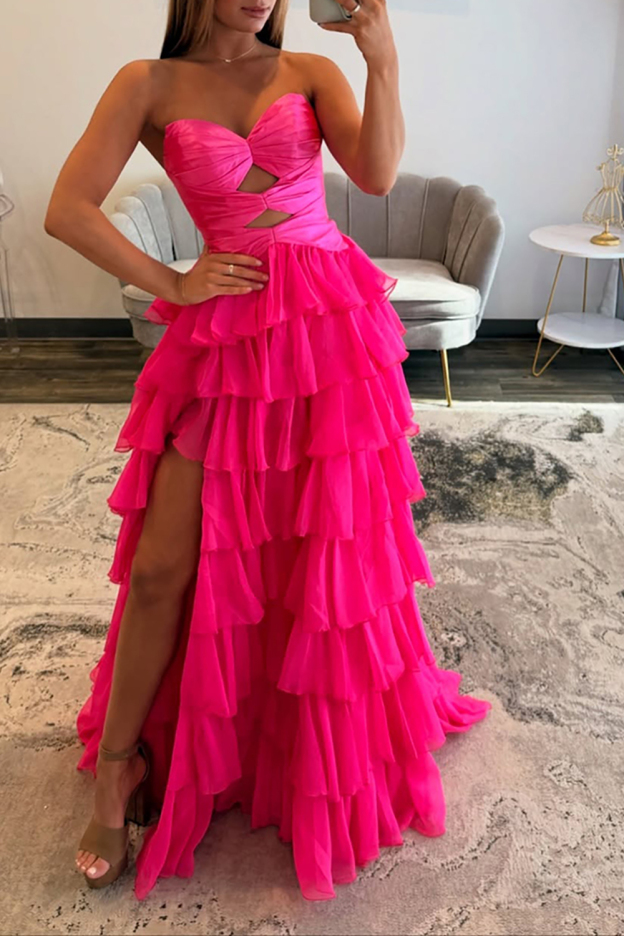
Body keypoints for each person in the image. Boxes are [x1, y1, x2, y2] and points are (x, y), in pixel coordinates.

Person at [44, 0, 492, 901]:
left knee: (319, 556)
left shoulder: (310, 73)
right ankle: (121, 766)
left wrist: (382, 59)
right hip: (226, 337)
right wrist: (173, 281)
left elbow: (375, 176)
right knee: (163, 567)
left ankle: (286, 744)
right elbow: (67, 210)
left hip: (327, 330)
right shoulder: (149, 83)